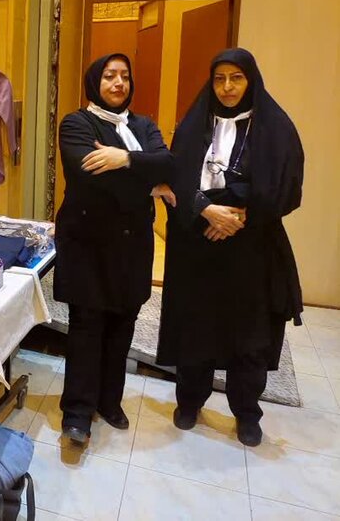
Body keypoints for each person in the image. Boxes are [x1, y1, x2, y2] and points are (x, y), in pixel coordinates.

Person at [156, 48, 304, 447]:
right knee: (196, 325)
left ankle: (246, 412)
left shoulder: (276, 127)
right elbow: (175, 179)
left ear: (250, 80)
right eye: (219, 78)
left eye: (236, 78)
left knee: (249, 333)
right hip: (198, 243)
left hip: (251, 248)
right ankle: (190, 401)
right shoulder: (195, 124)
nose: (226, 87)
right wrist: (206, 210)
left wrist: (239, 217)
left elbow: (288, 188)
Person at [55, 53, 174, 445]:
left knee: (123, 323)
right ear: (95, 82)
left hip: (132, 243)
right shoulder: (77, 123)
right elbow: (88, 176)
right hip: (88, 242)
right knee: (87, 326)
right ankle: (77, 412)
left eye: (124, 76)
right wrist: (149, 184)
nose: (118, 83)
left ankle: (109, 401)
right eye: (109, 76)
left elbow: (167, 163)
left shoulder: (143, 126)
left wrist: (123, 158)